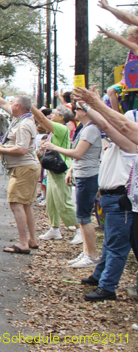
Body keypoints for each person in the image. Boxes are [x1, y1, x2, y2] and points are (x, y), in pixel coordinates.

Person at [67, 101, 134, 301]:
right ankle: (99, 276)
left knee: (116, 245)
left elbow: (106, 124)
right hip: (108, 197)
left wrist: (91, 105)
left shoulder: (128, 143)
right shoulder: (118, 143)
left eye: (124, 125)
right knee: (109, 243)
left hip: (119, 200)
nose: (119, 126)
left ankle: (107, 287)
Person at [0, 82, 40, 254]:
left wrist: (1, 149)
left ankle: (22, 243)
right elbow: (2, 103)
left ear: (18, 106)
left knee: (15, 203)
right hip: (23, 168)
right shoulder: (18, 118)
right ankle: (32, 240)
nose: (9, 104)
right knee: (26, 204)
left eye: (12, 102)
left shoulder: (24, 124)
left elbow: (22, 149)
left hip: (24, 168)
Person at [41, 101, 102, 268]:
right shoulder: (84, 129)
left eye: (79, 109)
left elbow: (77, 153)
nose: (76, 111)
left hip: (88, 176)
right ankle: (86, 252)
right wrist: (71, 170)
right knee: (79, 215)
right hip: (80, 173)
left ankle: (91, 255)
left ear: (87, 112)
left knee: (82, 216)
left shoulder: (89, 129)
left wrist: (54, 147)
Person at [30, 105, 79, 242]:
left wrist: (30, 106)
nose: (52, 115)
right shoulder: (54, 130)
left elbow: (41, 119)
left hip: (60, 169)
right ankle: (55, 229)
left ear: (62, 117)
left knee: (63, 202)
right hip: (52, 170)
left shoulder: (62, 127)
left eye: (55, 113)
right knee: (51, 202)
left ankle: (80, 229)